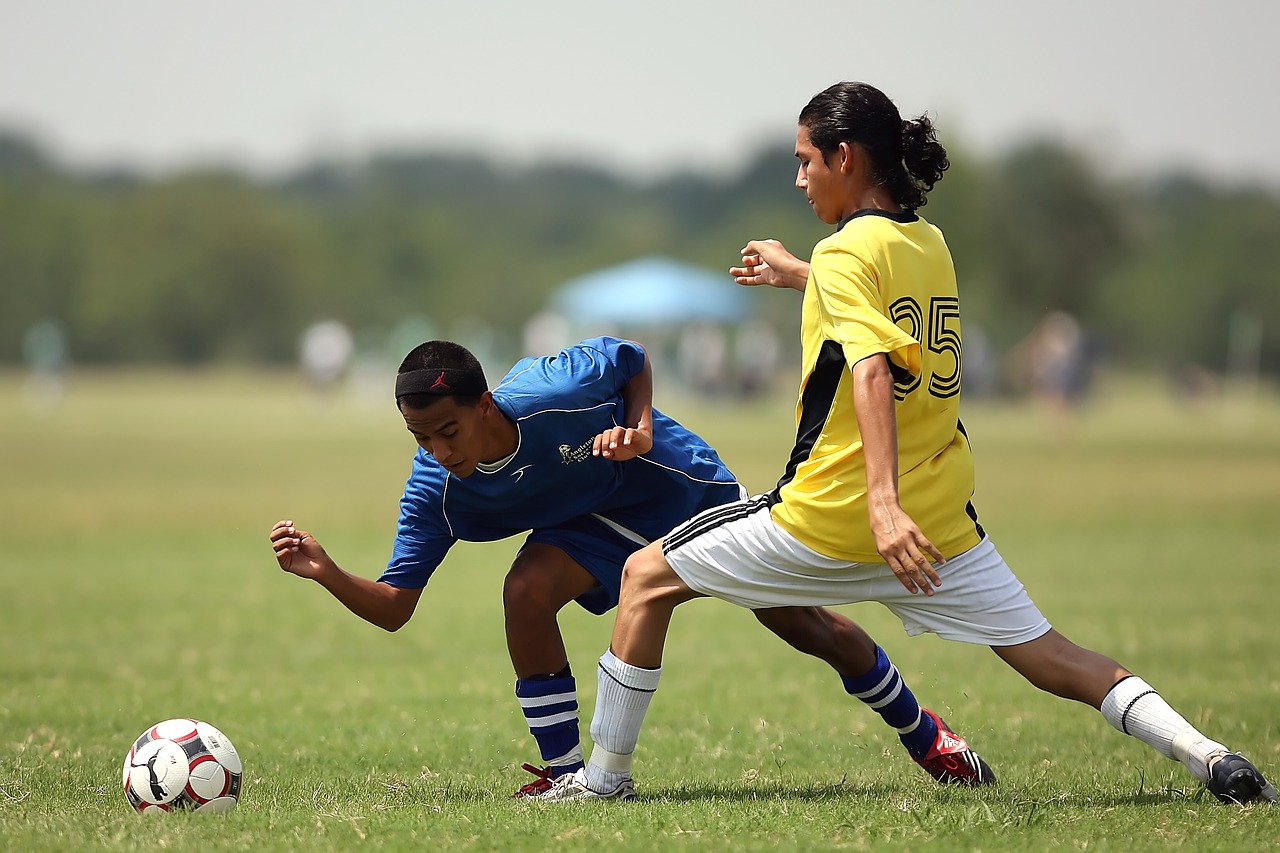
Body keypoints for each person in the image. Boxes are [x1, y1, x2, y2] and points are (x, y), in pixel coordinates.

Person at [539, 81, 1277, 805]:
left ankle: (602, 781)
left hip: (828, 517)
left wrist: (881, 504)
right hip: (940, 528)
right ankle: (1209, 755)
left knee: (644, 576)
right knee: (1054, 655)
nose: (799, 179)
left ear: (846, 158)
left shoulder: (841, 253)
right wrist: (799, 273)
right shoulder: (930, 243)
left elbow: (872, 366)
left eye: (805, 161)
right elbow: (884, 316)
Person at [268, 335, 992, 797]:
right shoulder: (437, 490)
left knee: (800, 623)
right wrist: (328, 570)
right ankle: (566, 777)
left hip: (675, 485)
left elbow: (632, 358)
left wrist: (640, 428)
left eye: (448, 430)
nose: (438, 450)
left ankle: (926, 734)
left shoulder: (554, 389)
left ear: (486, 402)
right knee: (524, 590)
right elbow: (397, 603)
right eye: (420, 437)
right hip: (588, 528)